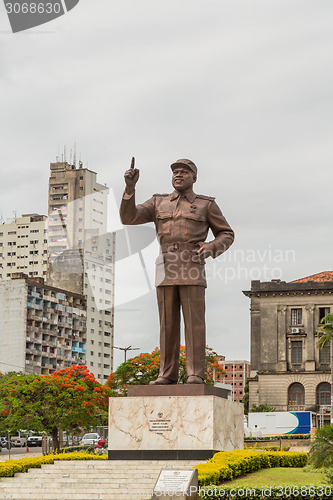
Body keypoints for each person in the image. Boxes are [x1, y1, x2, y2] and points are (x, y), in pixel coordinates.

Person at [120, 158, 234, 385]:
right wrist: (130, 188)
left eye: (184, 172)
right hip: (166, 267)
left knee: (194, 324)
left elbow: (227, 233)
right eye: (175, 172)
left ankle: (195, 373)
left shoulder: (206, 205)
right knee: (167, 324)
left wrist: (211, 247)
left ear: (194, 177)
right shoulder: (158, 202)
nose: (178, 175)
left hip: (192, 265)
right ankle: (167, 373)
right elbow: (128, 217)